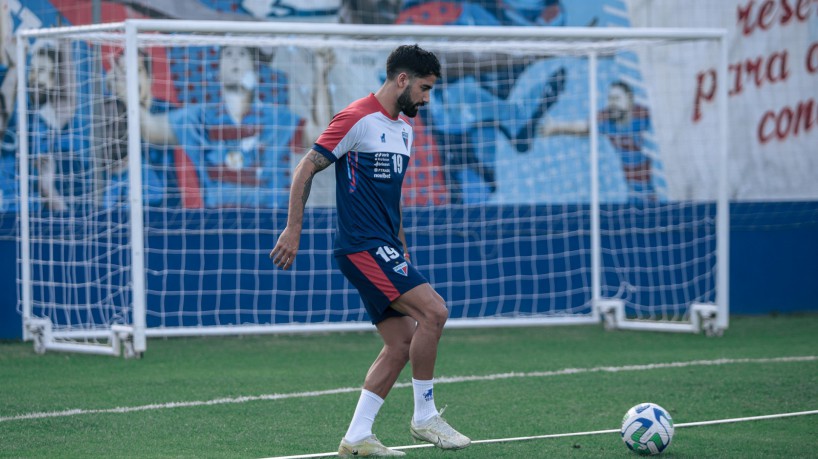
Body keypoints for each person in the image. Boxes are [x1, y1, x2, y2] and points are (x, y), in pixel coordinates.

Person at [270, 44, 470, 457]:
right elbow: (305, 166)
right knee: (435, 312)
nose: (426, 99)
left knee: (401, 342)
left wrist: (403, 249)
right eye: (424, 89)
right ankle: (425, 417)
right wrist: (293, 228)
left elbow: (391, 201)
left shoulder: (404, 130)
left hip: (384, 247)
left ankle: (358, 436)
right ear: (402, 80)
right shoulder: (356, 117)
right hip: (361, 247)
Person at [110, 45, 325, 208]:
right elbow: (151, 130)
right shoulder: (200, 117)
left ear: (255, 68)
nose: (235, 60)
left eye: (242, 54)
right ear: (218, 69)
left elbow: (320, 135)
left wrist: (321, 73)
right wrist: (127, 95)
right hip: (215, 224)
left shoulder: (276, 117)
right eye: (228, 54)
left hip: (271, 222)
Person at [540, 80, 661, 203]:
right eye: (610, 99)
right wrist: (556, 128)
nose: (612, 103)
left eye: (617, 98)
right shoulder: (606, 119)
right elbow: (583, 127)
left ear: (629, 100)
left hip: (653, 189)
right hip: (631, 191)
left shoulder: (643, 115)